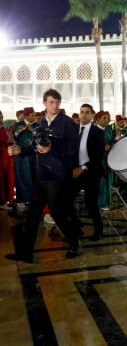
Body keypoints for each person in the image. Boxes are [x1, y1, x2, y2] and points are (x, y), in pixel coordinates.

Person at [6, 88, 81, 262]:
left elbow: (73, 148)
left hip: (58, 176)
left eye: (57, 102)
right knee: (33, 214)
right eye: (51, 102)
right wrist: (20, 151)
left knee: (57, 213)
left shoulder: (67, 123)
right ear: (45, 103)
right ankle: (25, 252)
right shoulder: (41, 125)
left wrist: (52, 148)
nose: (55, 105)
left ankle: (74, 243)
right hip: (41, 175)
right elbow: (34, 147)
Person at [69, 104, 105, 241]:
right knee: (67, 199)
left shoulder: (97, 132)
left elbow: (98, 155)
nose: (83, 115)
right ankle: (76, 226)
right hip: (75, 172)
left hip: (91, 171)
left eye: (87, 112)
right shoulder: (74, 131)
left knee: (90, 203)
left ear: (92, 115)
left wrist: (82, 168)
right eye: (81, 112)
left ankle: (99, 230)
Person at [12, 107, 37, 208]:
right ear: (26, 116)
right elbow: (13, 137)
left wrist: (33, 131)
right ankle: (21, 199)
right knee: (21, 176)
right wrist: (18, 131)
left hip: (33, 155)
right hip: (21, 156)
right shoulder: (18, 125)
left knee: (33, 177)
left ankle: (32, 199)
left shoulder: (37, 125)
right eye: (32, 115)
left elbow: (40, 137)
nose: (34, 117)